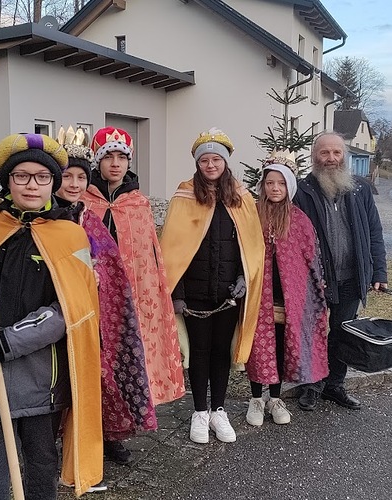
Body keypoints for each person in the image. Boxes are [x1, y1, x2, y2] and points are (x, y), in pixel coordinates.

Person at [0, 133, 103, 498]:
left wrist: (11, 340)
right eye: (22, 176)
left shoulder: (71, 236)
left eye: (41, 177)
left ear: (53, 182)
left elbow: (71, 310)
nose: (32, 185)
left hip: (40, 380)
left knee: (38, 472)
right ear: (8, 181)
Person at [55, 133, 157, 467]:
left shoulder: (103, 212)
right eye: (67, 176)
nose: (74, 183)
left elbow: (117, 255)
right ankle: (61, 436)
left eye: (79, 177)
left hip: (109, 303)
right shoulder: (70, 210)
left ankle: (108, 435)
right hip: (62, 304)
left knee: (106, 370)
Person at [160, 127, 265, 443]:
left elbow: (252, 246)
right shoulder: (184, 195)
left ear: (225, 161)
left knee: (221, 352)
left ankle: (219, 411)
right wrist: (176, 293)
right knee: (198, 352)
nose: (210, 165)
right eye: (204, 159)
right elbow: (172, 248)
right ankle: (199, 412)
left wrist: (244, 279)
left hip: (228, 295)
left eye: (216, 159)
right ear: (198, 163)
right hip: (194, 295)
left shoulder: (242, 197)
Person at [82, 126, 185, 407]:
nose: (115, 163)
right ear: (98, 161)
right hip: (93, 291)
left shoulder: (138, 203)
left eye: (121, 157)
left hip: (132, 294)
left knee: (124, 353)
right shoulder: (83, 202)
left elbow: (148, 257)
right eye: (108, 157)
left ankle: (122, 420)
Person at [294, 132, 388, 411]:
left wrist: (378, 272)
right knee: (312, 331)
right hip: (315, 279)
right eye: (325, 153)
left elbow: (374, 232)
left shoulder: (359, 189)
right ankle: (311, 384)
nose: (331, 159)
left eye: (336, 153)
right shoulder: (302, 191)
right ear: (315, 157)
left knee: (342, 332)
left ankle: (334, 385)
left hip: (352, 276)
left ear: (344, 156)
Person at [244, 151, 329, 426]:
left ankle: (275, 398)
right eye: (270, 183)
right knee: (259, 346)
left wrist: (318, 292)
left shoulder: (300, 219)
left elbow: (312, 258)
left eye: (281, 183)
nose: (275, 188)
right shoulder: (252, 214)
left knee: (281, 345)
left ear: (289, 186)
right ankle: (256, 398)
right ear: (263, 185)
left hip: (290, 296)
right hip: (258, 293)